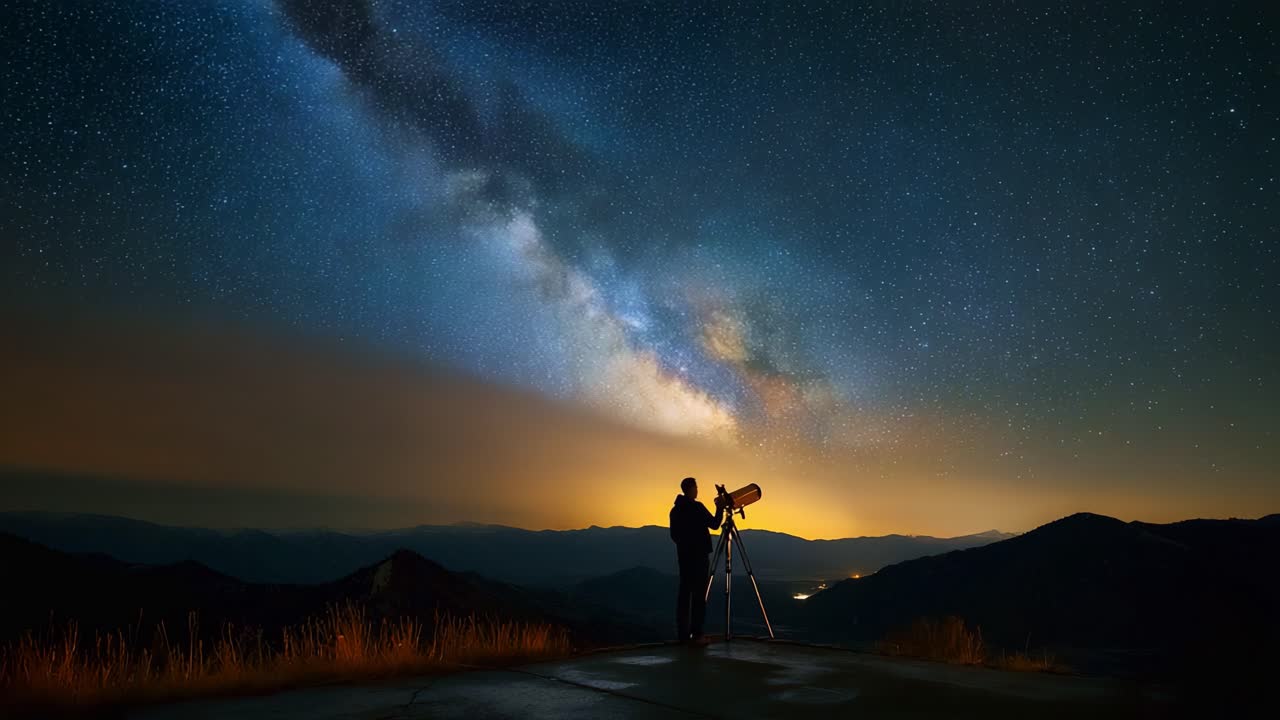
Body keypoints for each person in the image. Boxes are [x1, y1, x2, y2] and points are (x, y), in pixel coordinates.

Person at [669, 476, 725, 644]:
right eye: (696, 487)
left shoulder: (675, 511)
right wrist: (720, 507)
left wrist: (686, 545)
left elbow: (674, 536)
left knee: (684, 595)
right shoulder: (697, 508)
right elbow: (715, 524)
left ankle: (683, 634)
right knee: (699, 596)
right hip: (699, 557)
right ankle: (697, 634)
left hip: (684, 558)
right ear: (691, 489)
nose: (697, 490)